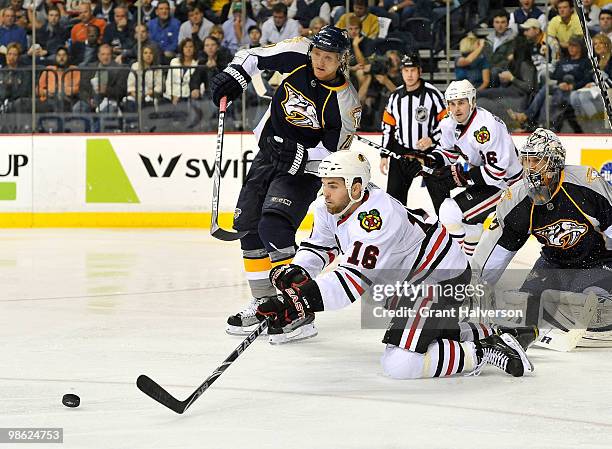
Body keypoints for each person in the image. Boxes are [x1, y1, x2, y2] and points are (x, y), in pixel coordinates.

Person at [254, 151, 535, 378]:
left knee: (400, 363)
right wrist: (301, 269)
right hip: (414, 286)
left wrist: (299, 300)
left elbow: (350, 282)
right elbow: (321, 246)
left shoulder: (375, 217)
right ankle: (495, 333)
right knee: (421, 337)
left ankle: (485, 351)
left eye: (333, 185)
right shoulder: (328, 206)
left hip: (439, 281)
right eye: (324, 184)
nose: (326, 193)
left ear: (356, 187)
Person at [209, 26, 361, 342]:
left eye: (328, 58)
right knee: (247, 225)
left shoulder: (345, 103)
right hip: (268, 154)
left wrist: (301, 154)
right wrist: (235, 76)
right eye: (317, 54)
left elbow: (335, 154)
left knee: (274, 227)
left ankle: (299, 310)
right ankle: (266, 301)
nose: (320, 62)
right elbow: (250, 55)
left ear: (341, 60)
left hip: (302, 170)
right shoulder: (297, 52)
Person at [472, 128, 612, 347]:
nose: (531, 169)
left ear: (555, 162)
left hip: (597, 263)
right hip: (552, 264)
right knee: (523, 306)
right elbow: (497, 252)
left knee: (594, 306)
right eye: (527, 161)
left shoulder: (586, 183)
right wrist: (472, 289)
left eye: (537, 161)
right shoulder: (516, 199)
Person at [418, 79, 522, 258]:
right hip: (489, 181)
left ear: (472, 102)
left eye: (461, 102)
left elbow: (496, 172)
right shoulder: (449, 123)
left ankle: (454, 261)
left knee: (449, 212)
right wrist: (428, 160)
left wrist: (458, 176)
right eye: (452, 103)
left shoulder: (485, 128)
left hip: (510, 187)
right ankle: (469, 266)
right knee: (468, 223)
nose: (456, 108)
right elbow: (448, 153)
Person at [379, 53, 448, 214]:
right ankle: (400, 232)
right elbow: (388, 126)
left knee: (441, 198)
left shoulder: (433, 94)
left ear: (419, 71)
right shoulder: (395, 96)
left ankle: (448, 230)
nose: (409, 75)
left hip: (430, 153)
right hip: (401, 152)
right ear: (401, 72)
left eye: (413, 70)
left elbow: (447, 124)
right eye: (406, 70)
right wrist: (384, 154)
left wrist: (432, 139)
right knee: (394, 201)